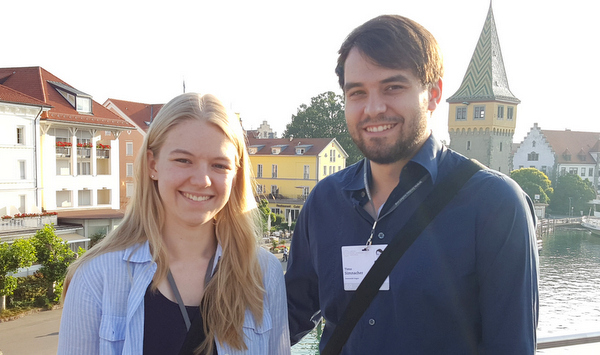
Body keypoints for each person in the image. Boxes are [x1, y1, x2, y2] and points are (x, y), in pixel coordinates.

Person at [285, 15, 538, 354]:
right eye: (357, 92)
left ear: (433, 94)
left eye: (393, 87)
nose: (373, 108)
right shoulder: (324, 201)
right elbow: (286, 315)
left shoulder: (495, 204)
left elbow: (511, 345)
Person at [58, 93, 291, 355]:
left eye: (219, 165)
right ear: (152, 164)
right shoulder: (96, 277)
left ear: (236, 174)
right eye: (183, 160)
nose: (202, 180)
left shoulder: (262, 273)